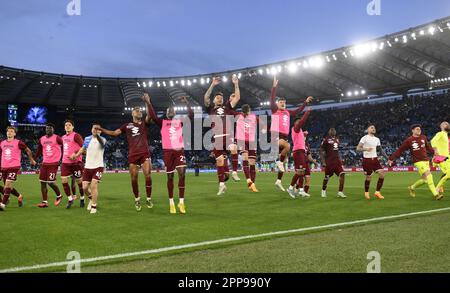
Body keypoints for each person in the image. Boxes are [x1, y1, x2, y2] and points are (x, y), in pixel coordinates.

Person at [97, 97, 153, 211]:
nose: (139, 111)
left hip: (144, 153)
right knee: (134, 179)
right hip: (133, 155)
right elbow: (114, 133)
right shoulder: (126, 126)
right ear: (132, 113)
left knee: (148, 175)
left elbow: (150, 115)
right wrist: (101, 129)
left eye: (140, 110)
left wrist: (147, 102)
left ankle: (148, 198)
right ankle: (137, 200)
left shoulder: (144, 123)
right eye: (136, 110)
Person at [144, 93, 193, 214]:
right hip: (167, 152)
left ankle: (181, 202)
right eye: (169, 110)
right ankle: (171, 202)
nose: (171, 111)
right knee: (170, 177)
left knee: (182, 174)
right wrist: (149, 102)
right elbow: (153, 116)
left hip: (178, 151)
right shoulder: (162, 122)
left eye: (172, 110)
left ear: (175, 113)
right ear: (167, 113)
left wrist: (186, 103)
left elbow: (191, 115)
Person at [270, 76, 313, 191]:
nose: (282, 103)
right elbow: (272, 98)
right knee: (287, 147)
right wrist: (274, 87)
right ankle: (278, 161)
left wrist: (305, 102)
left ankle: (279, 180)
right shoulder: (275, 110)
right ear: (277, 103)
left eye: (284, 102)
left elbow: (298, 111)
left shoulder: (288, 112)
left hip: (284, 137)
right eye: (280, 102)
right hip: (276, 136)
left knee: (283, 164)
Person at [203, 76, 240, 196]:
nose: (219, 99)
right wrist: (212, 84)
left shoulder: (227, 108)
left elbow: (237, 97)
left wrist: (236, 84)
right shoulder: (210, 110)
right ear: (214, 101)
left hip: (228, 135)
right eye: (217, 97)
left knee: (233, 148)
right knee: (219, 161)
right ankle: (222, 185)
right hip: (217, 139)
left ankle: (234, 172)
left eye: (221, 98)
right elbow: (206, 97)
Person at [388, 124, 442, 200]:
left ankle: (412, 187)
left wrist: (434, 152)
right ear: (412, 130)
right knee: (429, 175)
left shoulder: (423, 137)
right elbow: (400, 150)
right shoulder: (409, 140)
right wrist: (391, 158)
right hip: (418, 162)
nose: (419, 130)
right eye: (417, 129)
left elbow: (428, 147)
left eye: (419, 129)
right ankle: (436, 194)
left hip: (426, 161)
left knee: (425, 180)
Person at [71, 123, 106, 214]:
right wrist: (76, 155)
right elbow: (83, 149)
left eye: (97, 129)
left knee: (93, 185)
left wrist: (96, 135)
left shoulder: (103, 139)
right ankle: (91, 199)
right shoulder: (87, 139)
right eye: (93, 128)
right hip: (88, 167)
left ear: (100, 131)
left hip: (98, 166)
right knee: (84, 187)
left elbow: (102, 144)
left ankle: (94, 206)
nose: (94, 130)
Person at [0, 126, 36, 211]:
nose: (9, 132)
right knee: (7, 187)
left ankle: (3, 204)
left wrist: (31, 159)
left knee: (8, 184)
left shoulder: (18, 142)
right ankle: (19, 196)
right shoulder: (2, 143)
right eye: (8, 131)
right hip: (3, 167)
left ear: (15, 133)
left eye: (12, 131)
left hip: (13, 166)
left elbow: (28, 150)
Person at [234, 104, 267, 192]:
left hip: (251, 141)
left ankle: (252, 184)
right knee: (245, 158)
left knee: (252, 163)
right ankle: (249, 181)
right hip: (242, 140)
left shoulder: (253, 117)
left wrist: (264, 129)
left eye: (247, 110)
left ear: (249, 110)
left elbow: (263, 124)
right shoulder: (238, 116)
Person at [34, 123, 63, 208]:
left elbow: (64, 146)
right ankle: (44, 202)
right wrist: (34, 158)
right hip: (44, 163)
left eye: (50, 128)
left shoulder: (57, 138)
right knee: (42, 182)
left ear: (53, 130)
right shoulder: (42, 139)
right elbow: (39, 150)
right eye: (47, 128)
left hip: (54, 163)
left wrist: (64, 157)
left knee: (50, 182)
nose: (48, 130)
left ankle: (59, 195)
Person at [356, 125, 388, 200]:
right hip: (367, 160)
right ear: (367, 129)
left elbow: (380, 150)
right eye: (372, 128)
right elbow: (358, 148)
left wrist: (387, 158)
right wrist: (366, 149)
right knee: (369, 177)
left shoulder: (377, 139)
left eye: (374, 128)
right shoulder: (364, 138)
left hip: (375, 160)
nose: (374, 129)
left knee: (382, 173)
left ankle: (377, 192)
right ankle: (366, 192)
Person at [287, 108, 312, 199]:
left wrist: (304, 134)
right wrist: (307, 112)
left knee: (301, 172)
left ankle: (298, 190)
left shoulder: (299, 130)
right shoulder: (295, 128)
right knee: (300, 172)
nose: (299, 123)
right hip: (298, 152)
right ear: (294, 123)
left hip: (300, 151)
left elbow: (300, 139)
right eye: (297, 121)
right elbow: (301, 122)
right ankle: (293, 188)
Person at [61, 119, 85, 208]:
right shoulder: (63, 137)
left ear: (73, 127)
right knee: (64, 180)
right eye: (66, 125)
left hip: (76, 163)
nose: (67, 126)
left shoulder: (76, 136)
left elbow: (84, 147)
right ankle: (70, 199)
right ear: (64, 127)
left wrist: (75, 153)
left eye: (69, 125)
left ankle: (82, 198)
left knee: (79, 182)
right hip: (65, 162)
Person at [320, 128, 347, 198]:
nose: (333, 131)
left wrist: (340, 159)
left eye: (334, 130)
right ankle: (323, 190)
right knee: (327, 177)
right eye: (331, 130)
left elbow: (336, 151)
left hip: (337, 162)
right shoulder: (326, 140)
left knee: (342, 174)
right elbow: (321, 150)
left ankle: (340, 192)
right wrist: (323, 161)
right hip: (329, 162)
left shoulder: (337, 139)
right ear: (329, 132)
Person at [431, 121, 450, 194]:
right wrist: (435, 150)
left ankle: (438, 188)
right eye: (445, 123)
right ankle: (437, 189)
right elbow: (433, 141)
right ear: (442, 126)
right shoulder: (440, 133)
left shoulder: (446, 135)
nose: (447, 124)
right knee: (449, 174)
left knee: (448, 175)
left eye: (447, 123)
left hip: (447, 157)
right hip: (442, 158)